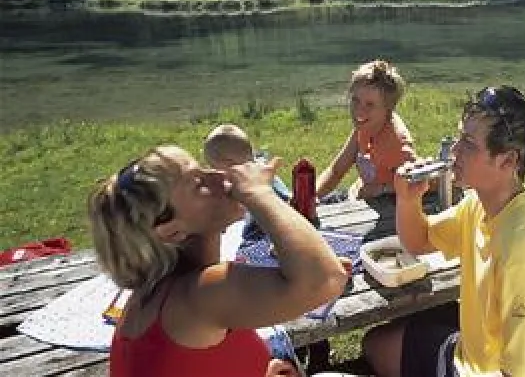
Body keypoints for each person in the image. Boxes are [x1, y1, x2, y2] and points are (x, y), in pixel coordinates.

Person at [362, 85, 525, 377]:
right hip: (468, 354)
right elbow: (419, 240)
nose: (454, 151)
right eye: (460, 137)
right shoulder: (480, 203)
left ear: (508, 161)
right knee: (373, 343)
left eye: (469, 144)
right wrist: (408, 199)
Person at [88, 145, 349, 377]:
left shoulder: (154, 293)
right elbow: (325, 279)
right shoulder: (199, 295)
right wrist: (258, 193)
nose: (220, 175)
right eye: (198, 182)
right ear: (171, 232)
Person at [316, 59, 416, 201]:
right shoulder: (364, 127)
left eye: (370, 105)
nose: (359, 110)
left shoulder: (397, 145)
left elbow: (418, 182)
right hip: (357, 198)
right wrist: (310, 197)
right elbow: (336, 170)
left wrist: (382, 189)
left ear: (388, 109)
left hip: (385, 211)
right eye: (355, 100)